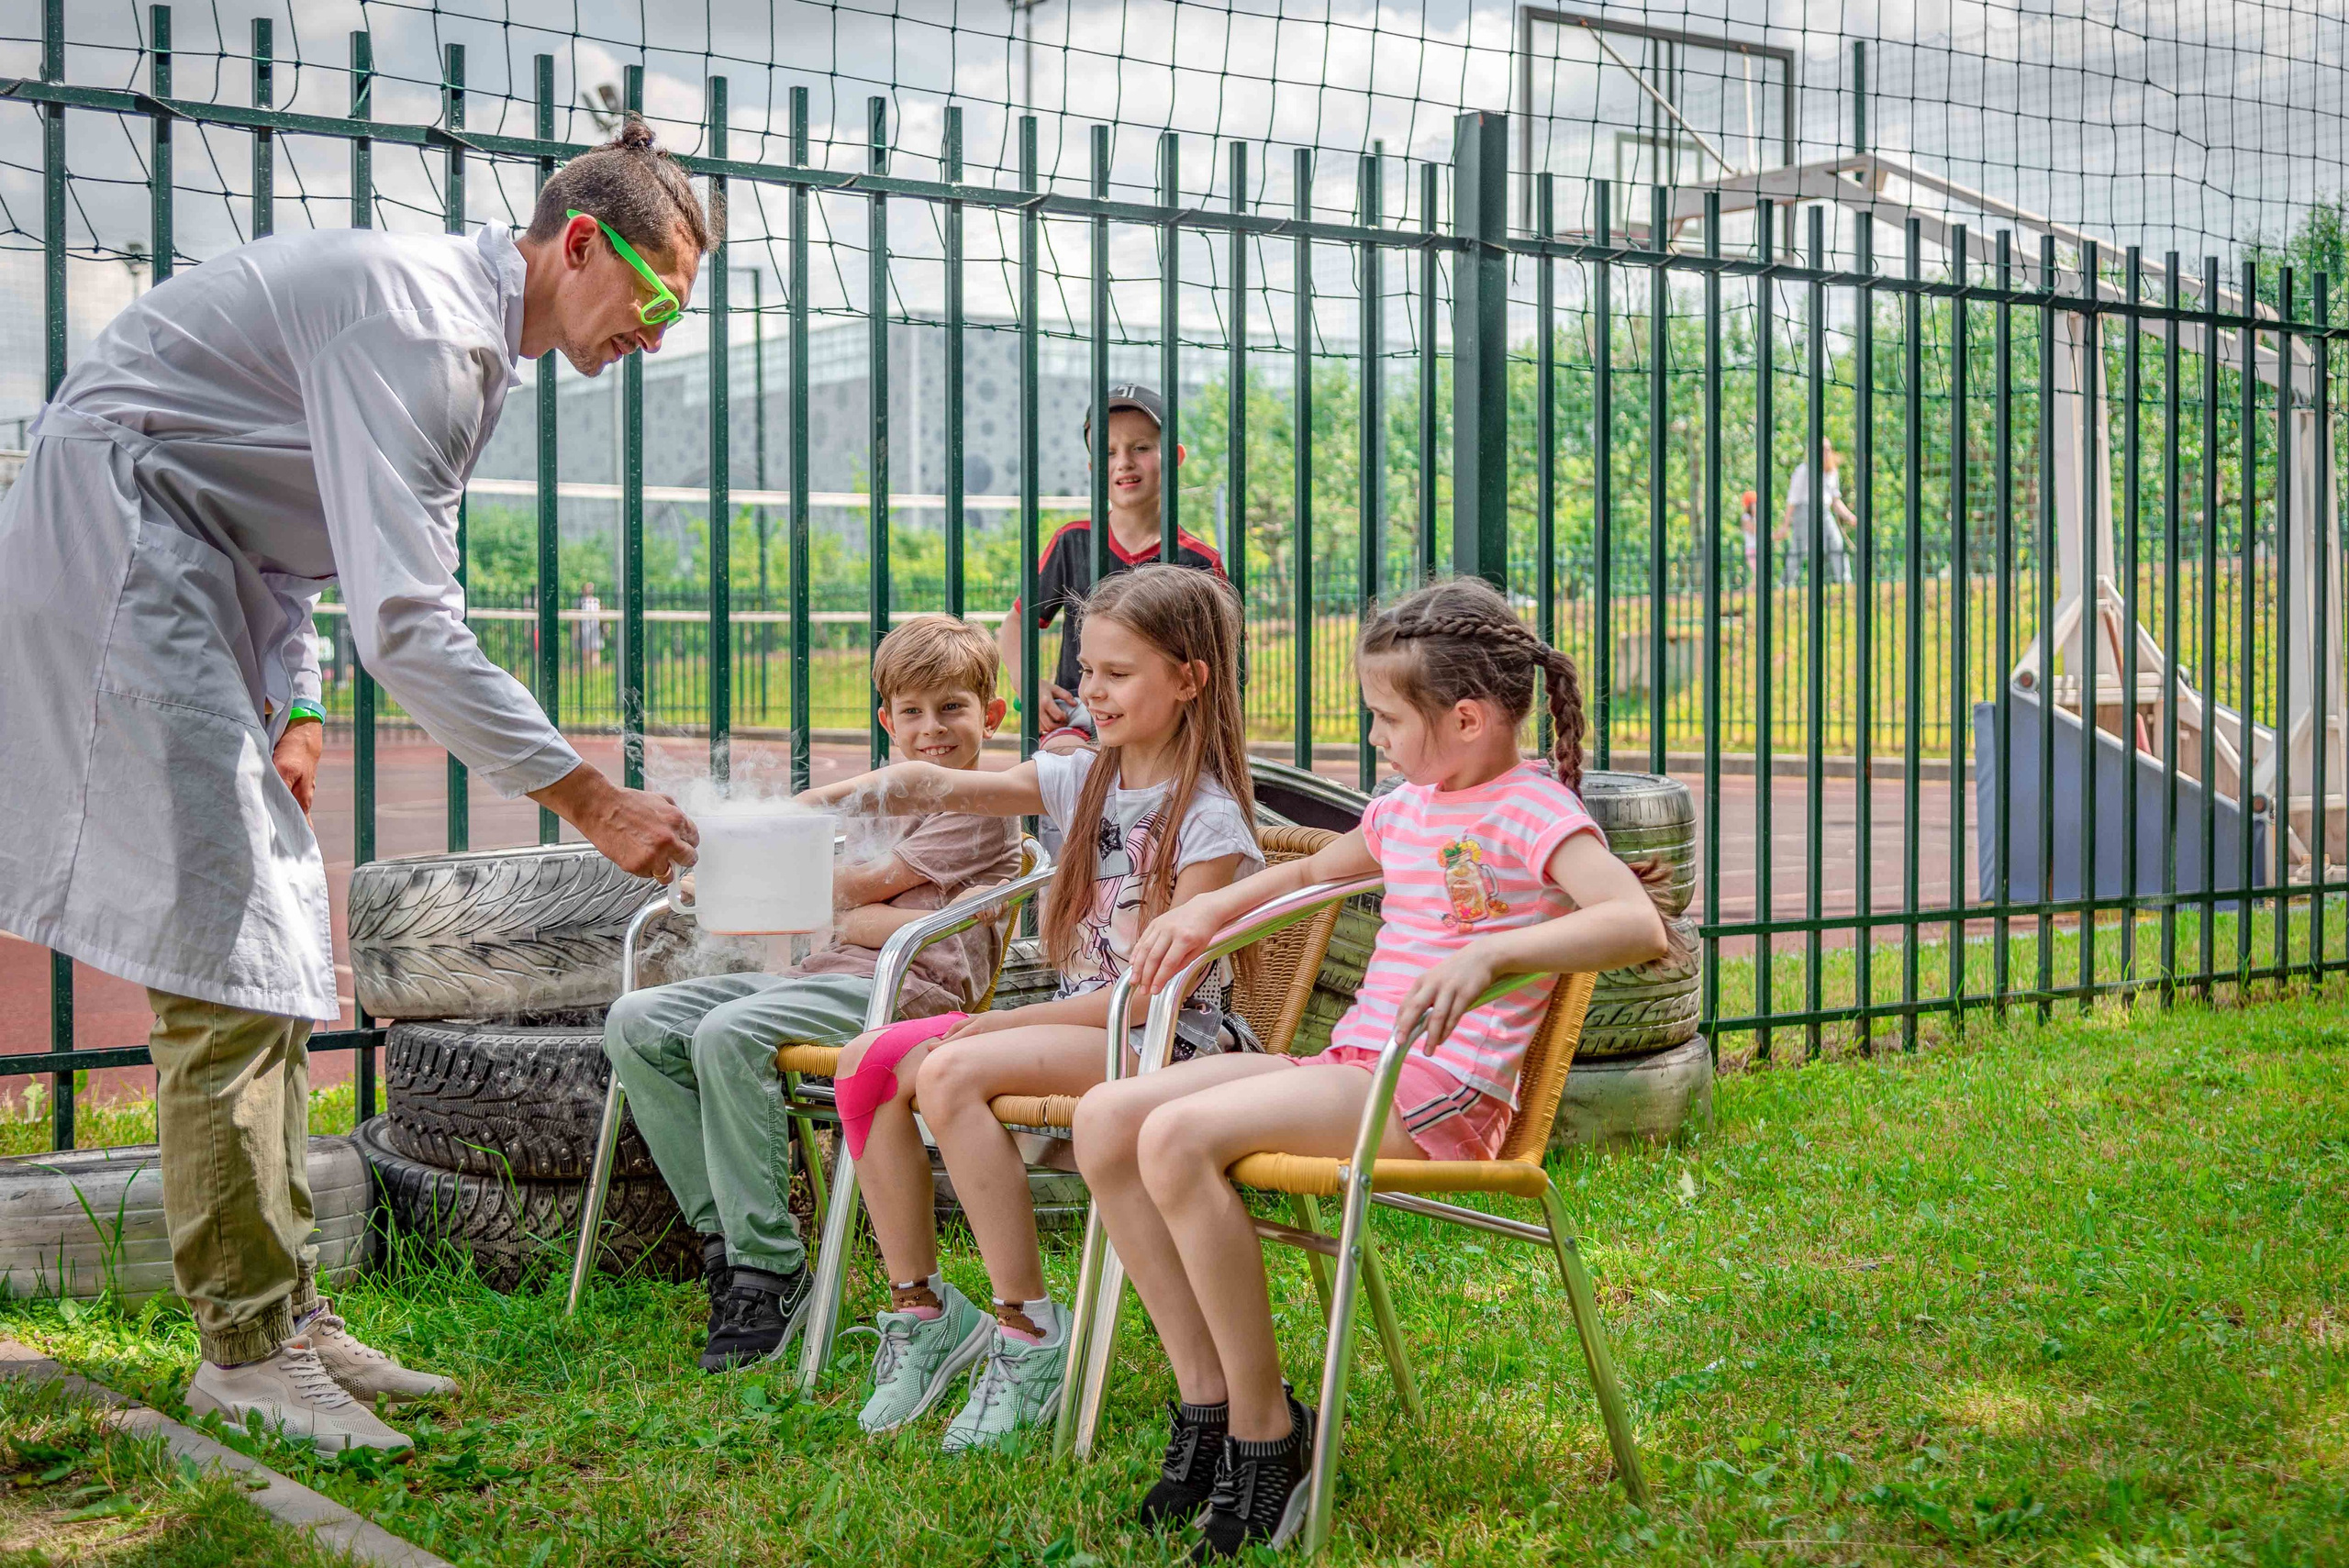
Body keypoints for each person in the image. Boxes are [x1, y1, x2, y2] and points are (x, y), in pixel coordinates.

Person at [0, 118, 708, 1452]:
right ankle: (250, 1348)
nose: (655, 336)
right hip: (125, 545)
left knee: (263, 937)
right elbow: (413, 625)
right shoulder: (431, 330)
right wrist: (592, 801)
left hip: (199, 563)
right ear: (578, 243)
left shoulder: (466, 340)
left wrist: (302, 696)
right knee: (226, 949)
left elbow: (295, 520)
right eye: (656, 300)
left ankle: (284, 1313)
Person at [1074, 577, 1672, 1560]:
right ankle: (1210, 1404)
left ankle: (1271, 1438)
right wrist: (1204, 910)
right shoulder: (1407, 807)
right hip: (1357, 1068)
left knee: (1176, 1135)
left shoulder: (1534, 809)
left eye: (1387, 719)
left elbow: (1633, 920)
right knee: (1107, 1118)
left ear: (1468, 718)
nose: (1376, 740)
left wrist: (1494, 952)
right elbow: (1313, 872)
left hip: (1437, 1098)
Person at [801, 564, 1261, 1451]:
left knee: (954, 1067)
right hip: (1075, 1027)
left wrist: (999, 1025)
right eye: (1087, 669)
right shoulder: (1079, 778)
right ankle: (924, 1308)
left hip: (1166, 1042)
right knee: (867, 1064)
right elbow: (926, 786)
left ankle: (1028, 1331)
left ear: (1189, 678)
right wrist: (780, 813)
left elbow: (1152, 996)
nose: (1091, 689)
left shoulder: (1208, 822)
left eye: (1117, 673)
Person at [601, 616, 1022, 1372]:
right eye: (914, 712)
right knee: (637, 1019)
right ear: (888, 721)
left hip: (910, 993)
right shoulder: (884, 802)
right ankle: (729, 1240)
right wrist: (779, 880)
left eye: (953, 707)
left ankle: (771, 1270)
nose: (933, 729)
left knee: (729, 1031)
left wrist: (825, 900)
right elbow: (838, 898)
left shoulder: (981, 806)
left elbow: (860, 890)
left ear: (990, 715)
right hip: (822, 979)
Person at [995, 384, 1228, 751]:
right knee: (1062, 766)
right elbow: (1016, 623)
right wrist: (1029, 684)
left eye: (1141, 447)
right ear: (1093, 468)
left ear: (1175, 457)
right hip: (1084, 713)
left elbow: (1221, 664)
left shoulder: (1199, 561)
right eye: (1108, 452)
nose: (1124, 462)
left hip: (1167, 725)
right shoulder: (1073, 541)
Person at [1779, 439, 1858, 586]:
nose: (1826, 452)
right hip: (1804, 511)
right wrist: (1785, 524)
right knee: (1798, 548)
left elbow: (1835, 500)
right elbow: (1792, 500)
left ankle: (1845, 581)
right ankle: (1785, 584)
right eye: (1823, 449)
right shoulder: (1803, 470)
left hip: (1824, 512)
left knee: (1836, 543)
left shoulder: (1831, 472)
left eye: (1828, 449)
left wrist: (1849, 516)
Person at [579, 581, 606, 667]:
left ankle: (595, 667)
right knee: (585, 648)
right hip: (585, 627)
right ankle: (586, 666)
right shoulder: (581, 601)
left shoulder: (596, 601)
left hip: (595, 627)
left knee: (596, 648)